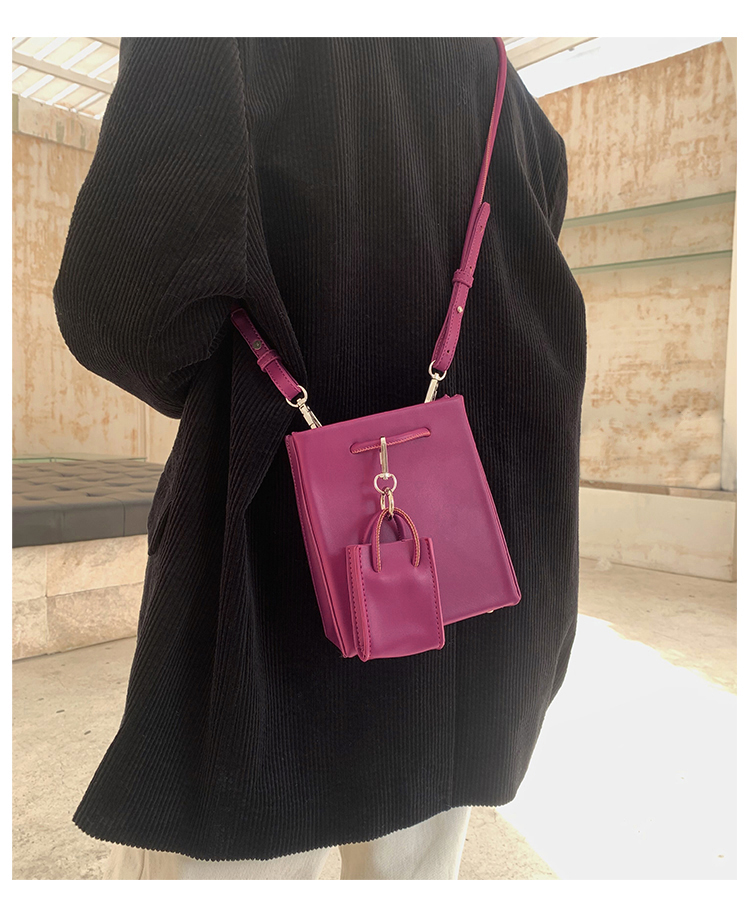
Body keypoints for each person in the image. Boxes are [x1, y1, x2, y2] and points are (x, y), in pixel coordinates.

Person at [53, 37, 586, 880]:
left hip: (268, 571)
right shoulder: (512, 104)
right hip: (475, 579)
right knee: (414, 866)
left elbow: (126, 306)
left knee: (241, 857)